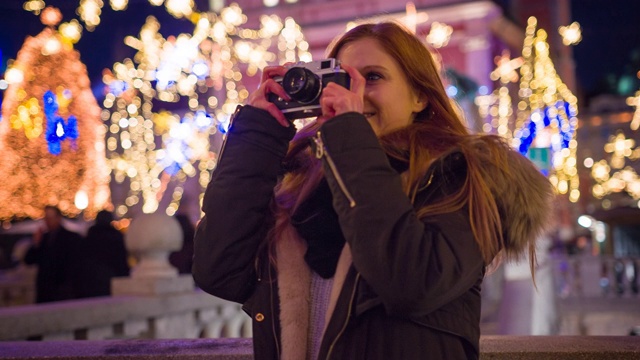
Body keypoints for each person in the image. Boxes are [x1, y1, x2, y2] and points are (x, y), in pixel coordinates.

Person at [193, 21, 555, 360]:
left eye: (373, 77)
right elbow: (220, 271)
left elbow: (410, 283)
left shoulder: (460, 178)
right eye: (342, 80)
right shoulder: (298, 187)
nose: (355, 93)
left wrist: (349, 139)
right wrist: (258, 134)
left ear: (420, 97)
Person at [24, 205, 83, 303]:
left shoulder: (71, 238)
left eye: (50, 218)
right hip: (45, 291)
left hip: (62, 291)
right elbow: (29, 260)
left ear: (58, 218)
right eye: (46, 218)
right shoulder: (43, 239)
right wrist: (35, 244)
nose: (48, 221)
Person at [76, 210, 130, 298]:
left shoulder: (91, 236)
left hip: (92, 280)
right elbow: (121, 260)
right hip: (113, 278)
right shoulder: (116, 236)